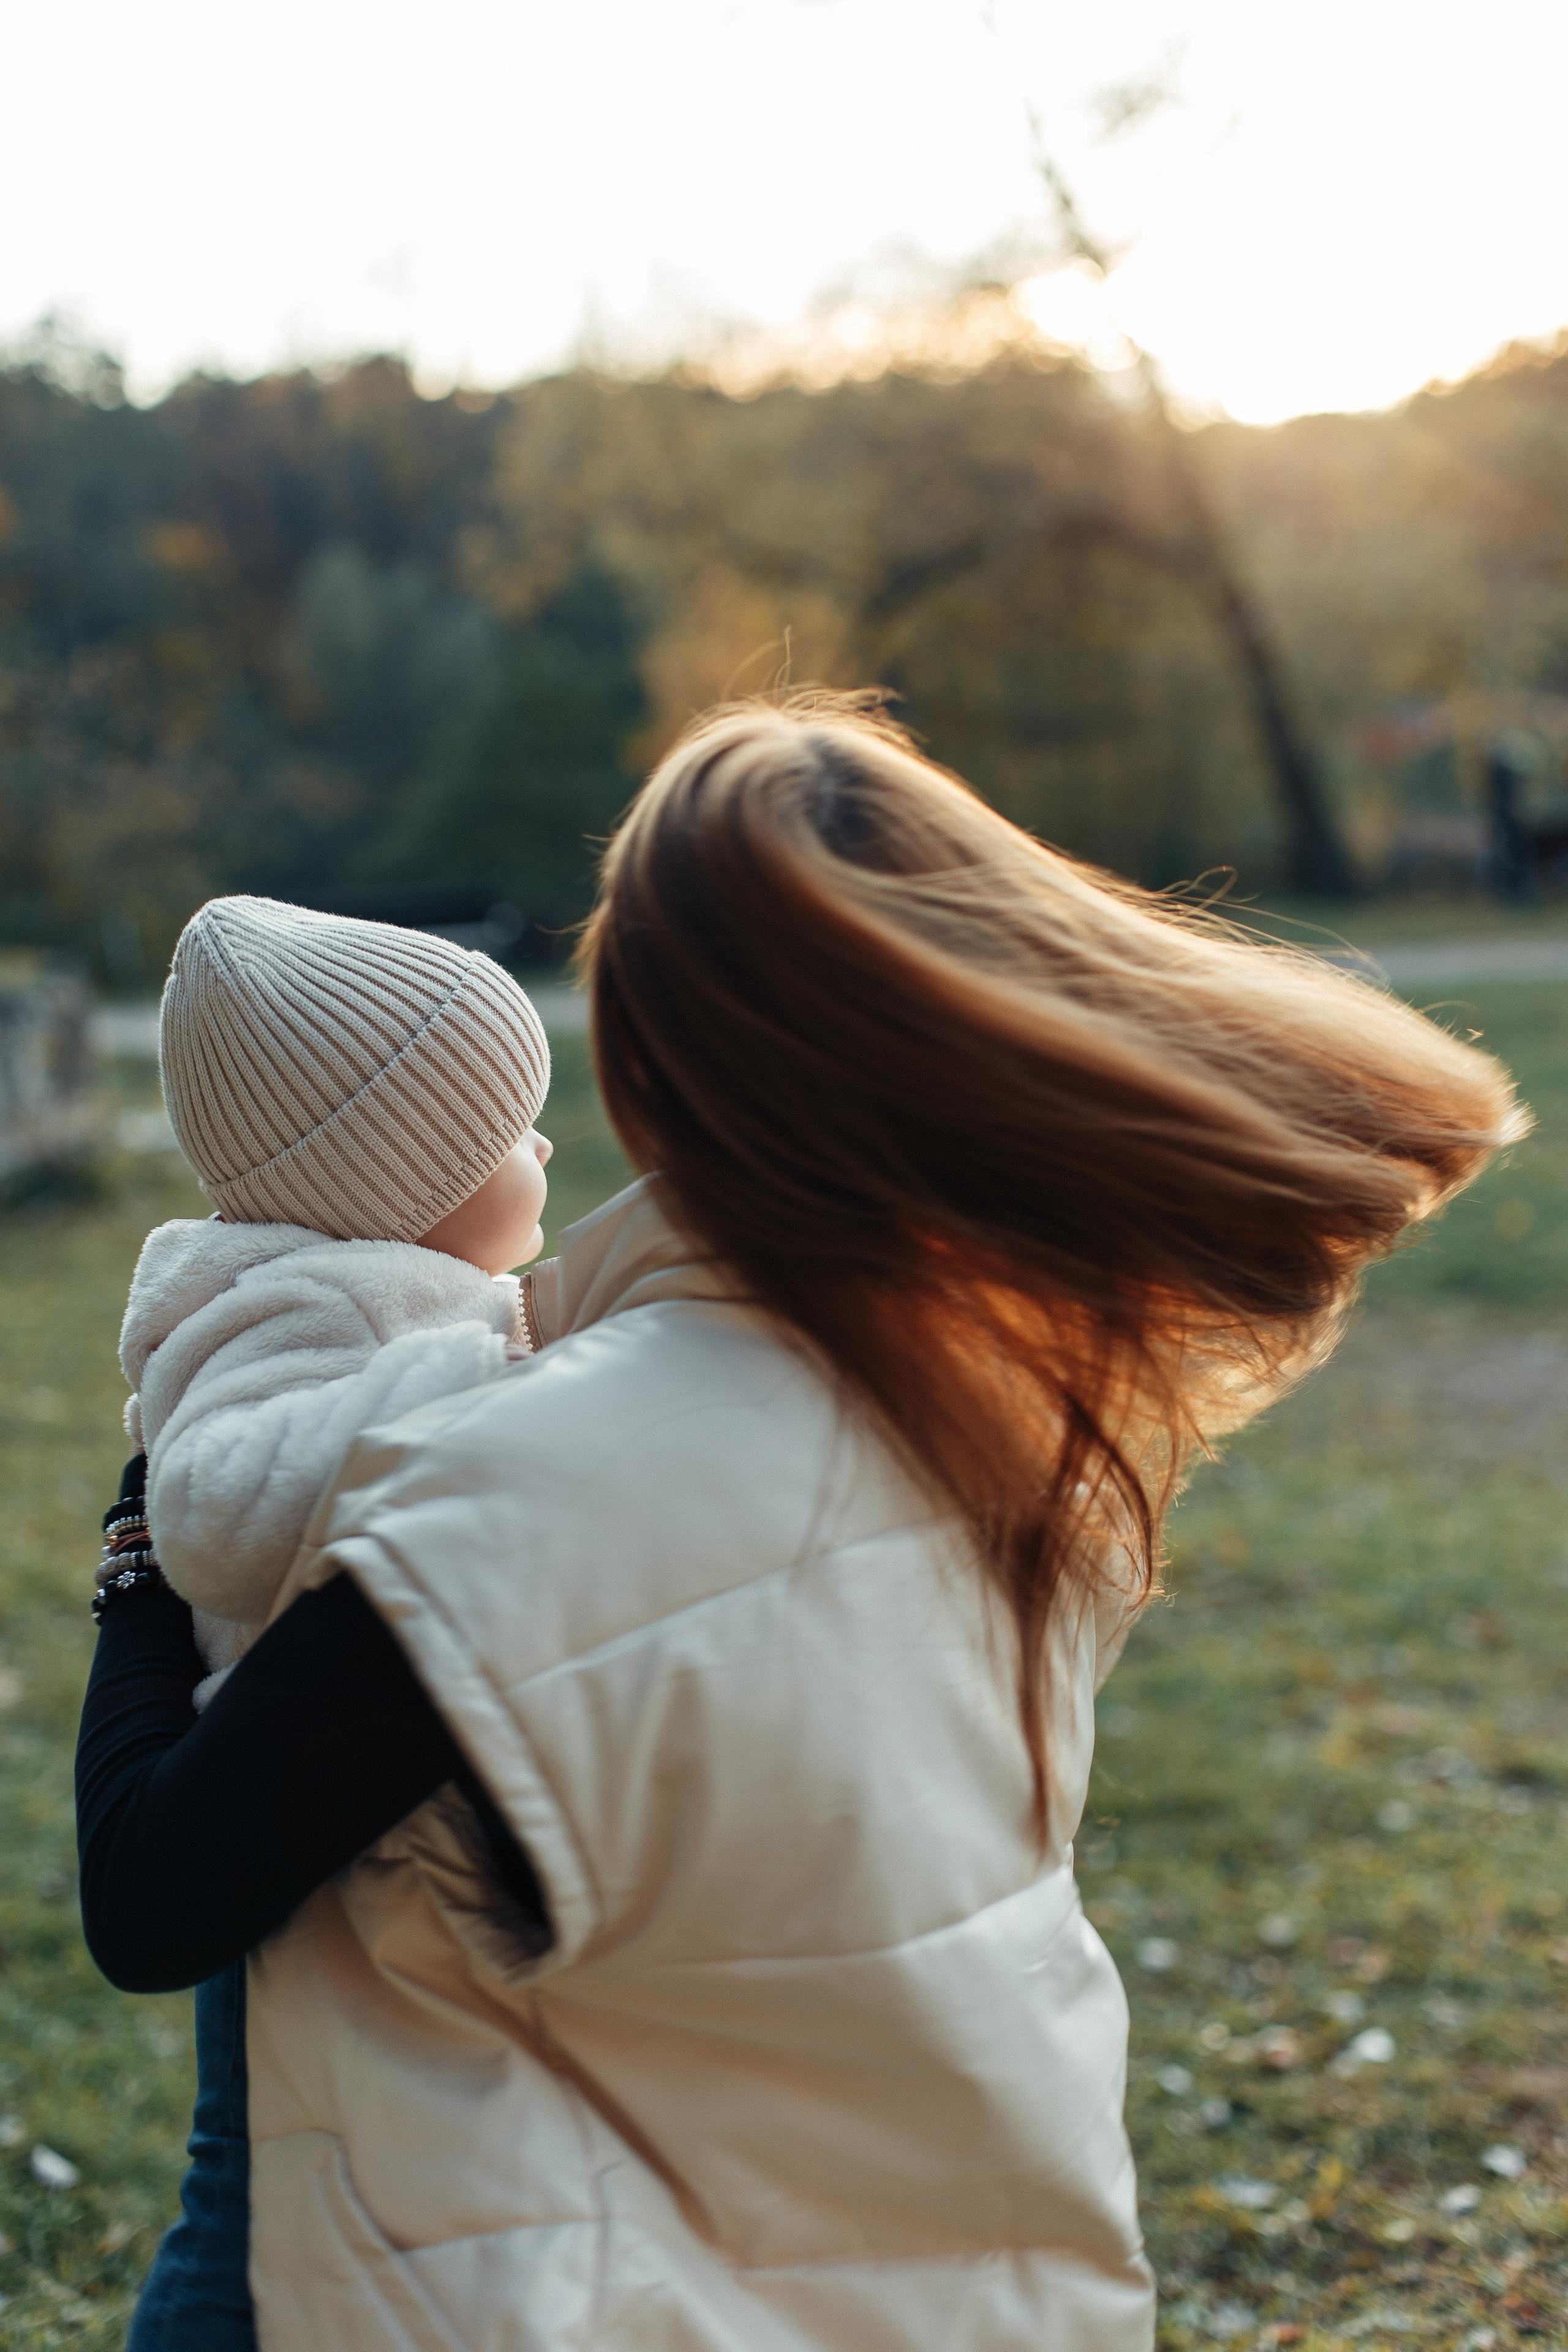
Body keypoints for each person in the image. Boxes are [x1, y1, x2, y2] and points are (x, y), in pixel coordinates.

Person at [77, 695, 1524, 2351]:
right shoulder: (1010, 1382)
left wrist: (139, 1547)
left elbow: (150, 1893)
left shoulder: (530, 1476)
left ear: (663, 1062)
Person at [91, 893, 553, 2349]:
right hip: (281, 1841)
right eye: (507, 1133)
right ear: (394, 1180)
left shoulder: (394, 1286)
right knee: (250, 2193)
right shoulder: (310, 1310)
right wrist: (488, 1362)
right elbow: (213, 1511)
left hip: (361, 1811)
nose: (541, 1149)